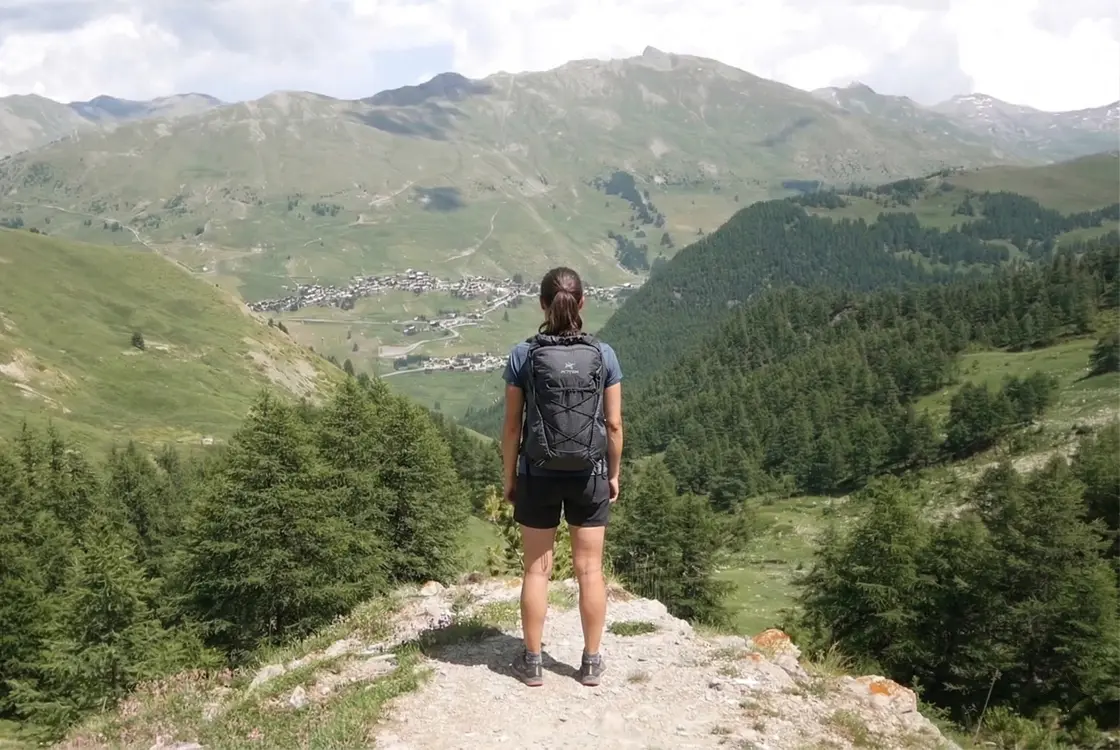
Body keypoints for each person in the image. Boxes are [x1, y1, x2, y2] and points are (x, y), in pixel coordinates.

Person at [500, 266, 623, 688]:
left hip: (537, 471)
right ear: (582, 303)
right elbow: (614, 426)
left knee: (537, 571)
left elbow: (513, 427)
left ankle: (532, 662)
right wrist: (613, 474)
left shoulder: (523, 355)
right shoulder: (603, 355)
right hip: (590, 472)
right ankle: (590, 662)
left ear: (542, 304)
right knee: (590, 571)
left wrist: (510, 477)